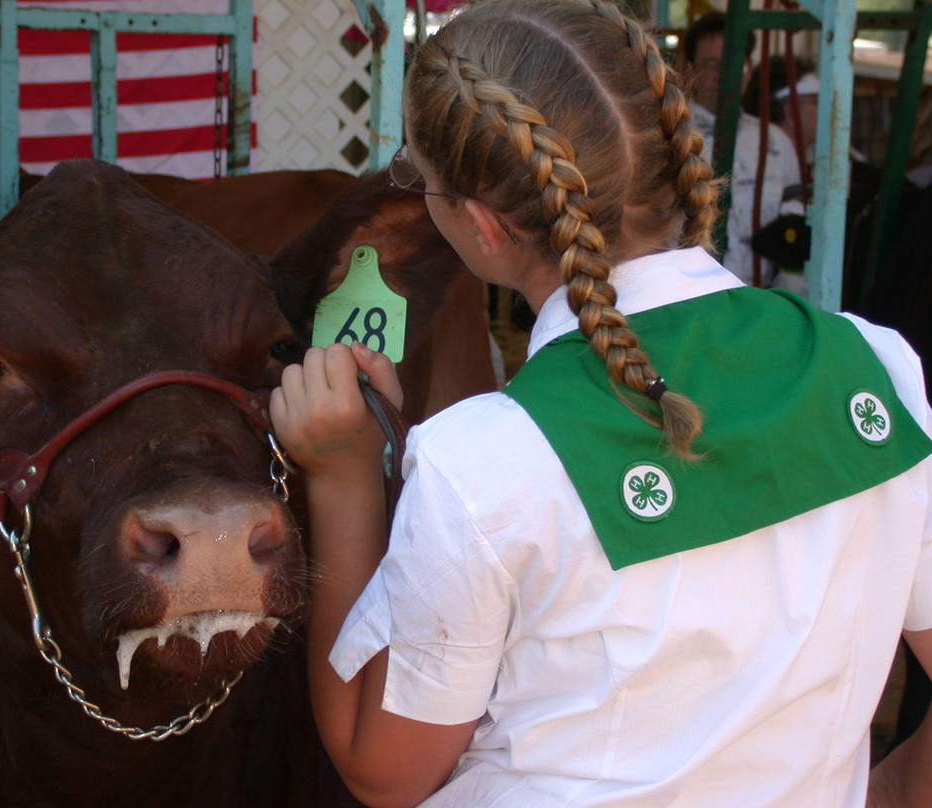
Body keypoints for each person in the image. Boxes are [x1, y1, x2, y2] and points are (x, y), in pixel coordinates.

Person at [269, 0, 932, 806]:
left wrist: (341, 478)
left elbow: (381, 771)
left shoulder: (481, 463)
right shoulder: (879, 370)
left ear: (481, 226)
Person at [683, 11, 805, 288]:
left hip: (760, 296)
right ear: (690, 69)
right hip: (688, 300)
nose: (722, 74)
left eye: (734, 63)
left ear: (749, 69)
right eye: (710, 64)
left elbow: (797, 211)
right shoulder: (666, 139)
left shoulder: (774, 141)